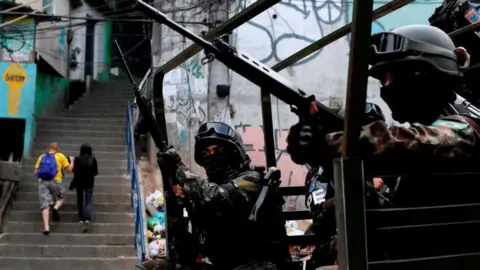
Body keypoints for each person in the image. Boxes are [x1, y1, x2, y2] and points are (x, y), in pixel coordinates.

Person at [287, 25, 480, 265]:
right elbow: (405, 208)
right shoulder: (437, 123)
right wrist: (362, 197)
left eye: (390, 76)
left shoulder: (467, 127)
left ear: (421, 74)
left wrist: (330, 141)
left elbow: (410, 142)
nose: (385, 88)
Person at [157, 121, 291, 270]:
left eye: (218, 149)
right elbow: (187, 254)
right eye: (206, 152)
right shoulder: (201, 194)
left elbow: (216, 198)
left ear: (234, 152)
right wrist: (177, 209)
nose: (212, 156)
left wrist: (177, 168)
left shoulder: (253, 181)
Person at [34, 142, 74, 235]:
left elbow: (35, 172)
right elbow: (69, 170)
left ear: (49, 149)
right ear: (58, 149)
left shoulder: (42, 156)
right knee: (61, 197)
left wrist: (42, 177)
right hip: (56, 181)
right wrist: (72, 161)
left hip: (43, 182)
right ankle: (56, 207)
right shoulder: (60, 156)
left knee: (45, 204)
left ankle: (46, 227)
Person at [69, 143, 98, 233]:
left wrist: (72, 161)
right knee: (88, 200)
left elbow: (74, 170)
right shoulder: (93, 159)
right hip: (89, 182)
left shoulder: (78, 159)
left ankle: (81, 218)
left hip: (79, 182)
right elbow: (95, 172)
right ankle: (87, 219)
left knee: (80, 200)